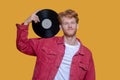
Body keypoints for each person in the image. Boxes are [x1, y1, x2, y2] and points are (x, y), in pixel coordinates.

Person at [16, 9, 95, 80]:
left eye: (72, 23)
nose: (70, 26)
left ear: (77, 26)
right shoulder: (46, 43)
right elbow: (22, 45)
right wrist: (26, 22)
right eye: (66, 23)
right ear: (60, 27)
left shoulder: (86, 54)